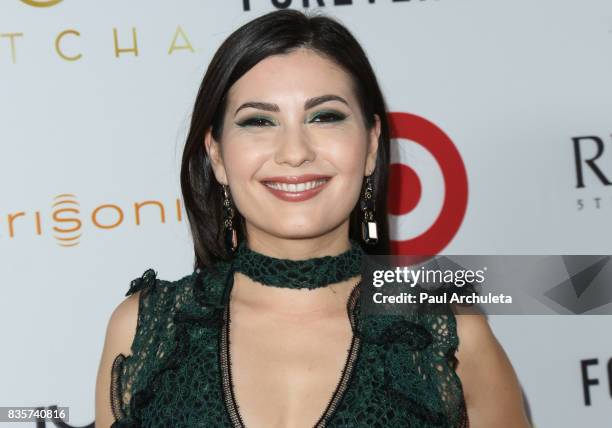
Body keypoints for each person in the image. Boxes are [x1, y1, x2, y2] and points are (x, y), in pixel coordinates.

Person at [95, 9, 531, 428]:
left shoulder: (447, 333)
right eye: (259, 121)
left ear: (372, 145)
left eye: (325, 116)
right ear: (217, 155)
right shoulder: (144, 332)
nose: (295, 152)